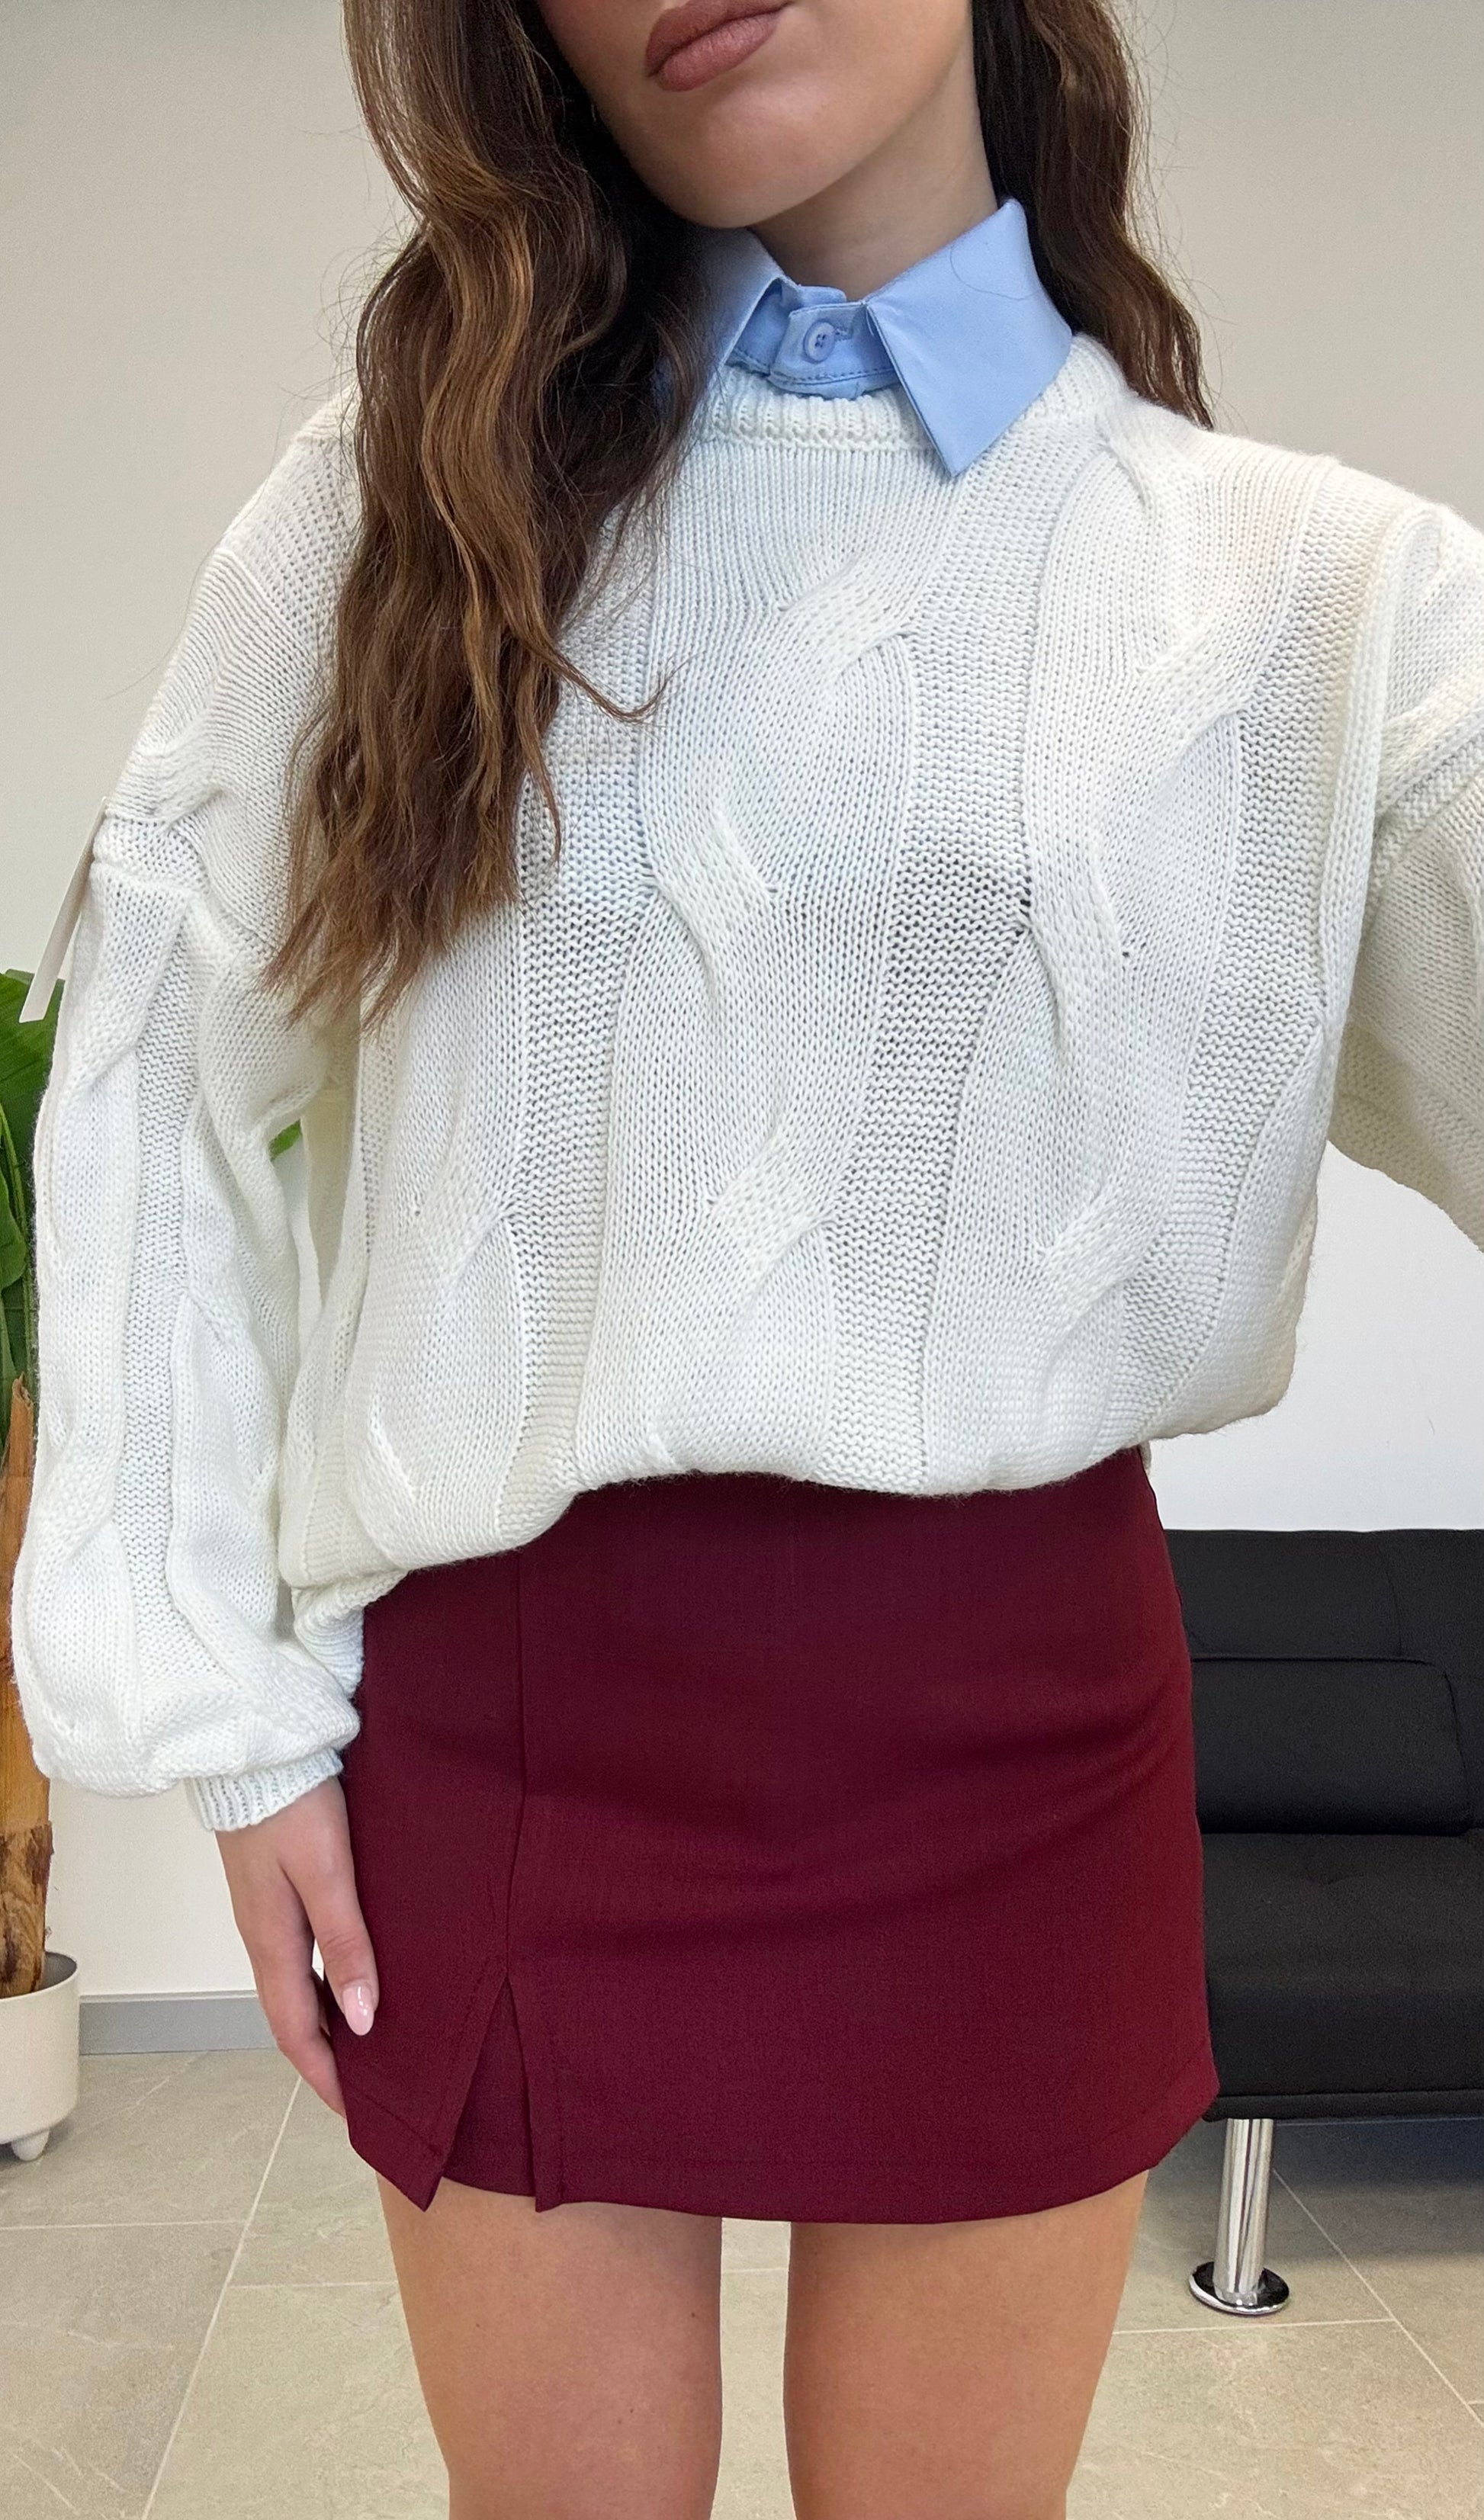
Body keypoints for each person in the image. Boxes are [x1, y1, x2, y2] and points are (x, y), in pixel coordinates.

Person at [12, 2, 1483, 2515]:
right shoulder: (400, 504)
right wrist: (230, 1721)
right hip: (512, 1725)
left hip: (1016, 1737)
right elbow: (160, 1061)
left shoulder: (1316, 600)